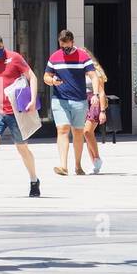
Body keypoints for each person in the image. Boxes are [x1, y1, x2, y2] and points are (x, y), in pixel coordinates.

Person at [0, 31, 41, 199]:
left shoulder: (15, 58)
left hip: (16, 111)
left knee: (22, 147)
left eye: (1, 47)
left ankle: (34, 180)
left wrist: (32, 99)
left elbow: (32, 77)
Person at [44, 29, 97, 177]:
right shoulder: (54, 57)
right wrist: (52, 81)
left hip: (79, 100)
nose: (65, 50)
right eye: (62, 47)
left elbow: (94, 76)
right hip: (60, 100)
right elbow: (46, 76)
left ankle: (78, 165)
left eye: (67, 46)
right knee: (62, 129)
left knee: (78, 132)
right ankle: (63, 166)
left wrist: (96, 94)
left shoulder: (82, 56)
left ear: (72, 42)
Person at [83, 60, 109, 174]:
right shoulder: (78, 71)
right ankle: (95, 163)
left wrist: (102, 111)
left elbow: (102, 93)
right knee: (87, 134)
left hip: (94, 102)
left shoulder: (95, 73)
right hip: (82, 102)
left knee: (87, 132)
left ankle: (97, 158)